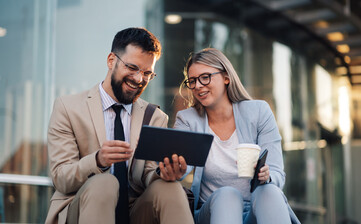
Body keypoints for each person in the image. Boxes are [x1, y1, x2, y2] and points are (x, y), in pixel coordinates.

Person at [45, 27, 193, 224]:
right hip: (80, 210)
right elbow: (61, 178)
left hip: (135, 213)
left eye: (147, 73)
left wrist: (162, 173)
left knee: (171, 188)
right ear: (111, 60)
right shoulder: (68, 108)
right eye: (132, 68)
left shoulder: (155, 117)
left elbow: (148, 175)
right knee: (104, 183)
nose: (139, 79)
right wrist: (97, 160)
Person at [174, 48, 300, 224]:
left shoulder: (259, 111)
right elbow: (181, 164)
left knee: (269, 191)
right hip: (214, 210)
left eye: (205, 77)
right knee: (228, 195)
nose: (198, 86)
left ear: (226, 77)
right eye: (192, 81)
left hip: (256, 210)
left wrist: (267, 176)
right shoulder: (188, 119)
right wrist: (176, 168)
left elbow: (278, 173)